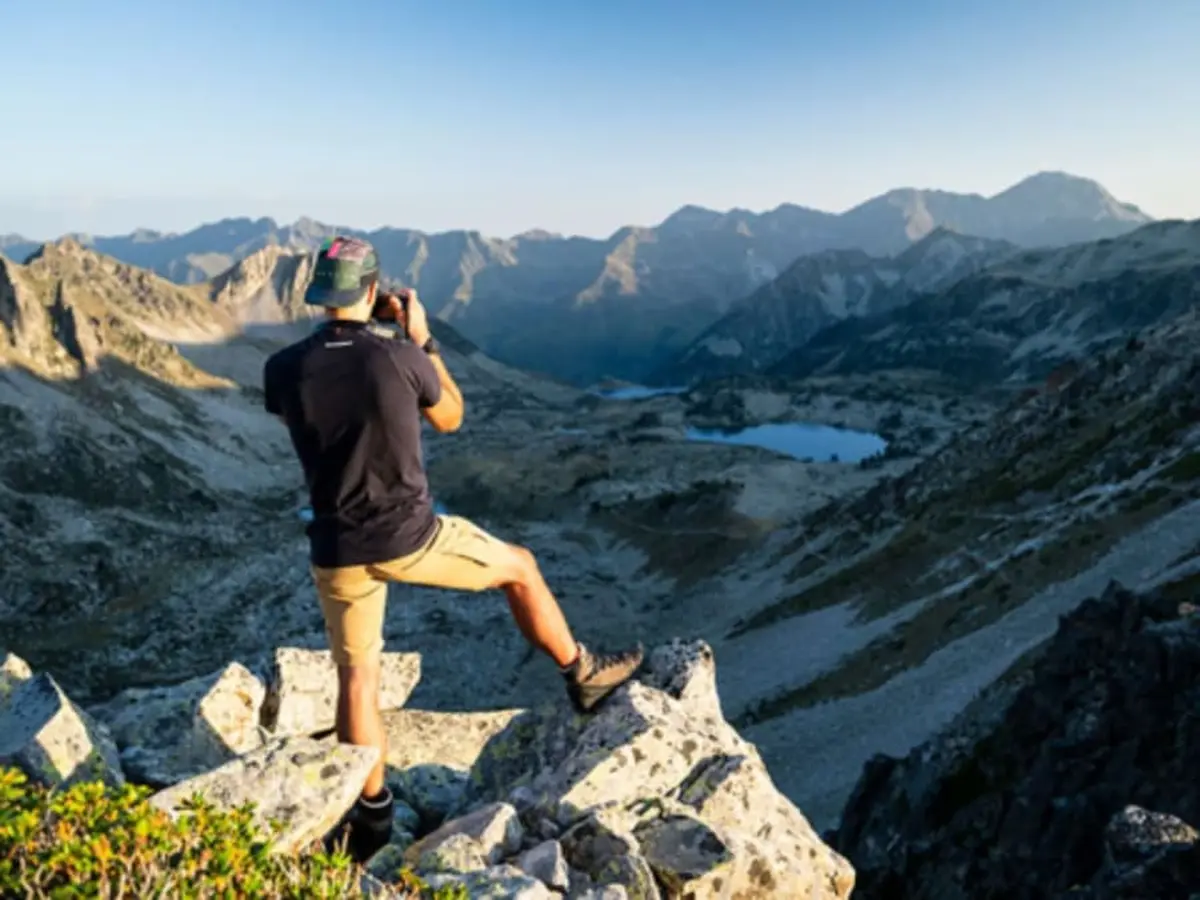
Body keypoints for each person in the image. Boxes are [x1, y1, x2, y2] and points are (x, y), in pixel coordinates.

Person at [261, 235, 644, 862]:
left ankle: (374, 816)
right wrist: (422, 340)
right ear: (371, 290)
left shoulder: (282, 368)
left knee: (358, 678)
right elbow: (452, 417)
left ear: (321, 292)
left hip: (335, 544)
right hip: (411, 536)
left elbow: (304, 416)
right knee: (520, 567)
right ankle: (584, 675)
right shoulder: (401, 359)